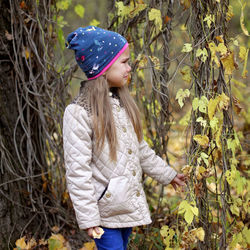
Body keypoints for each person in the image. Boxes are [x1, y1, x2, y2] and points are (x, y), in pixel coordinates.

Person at [63, 26, 185, 250]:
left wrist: (169, 175)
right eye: (124, 62)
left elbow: (140, 150)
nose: (130, 67)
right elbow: (77, 170)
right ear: (103, 66)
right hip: (103, 212)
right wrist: (89, 219)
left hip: (126, 205)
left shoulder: (121, 105)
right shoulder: (79, 112)